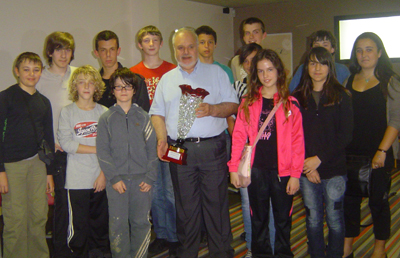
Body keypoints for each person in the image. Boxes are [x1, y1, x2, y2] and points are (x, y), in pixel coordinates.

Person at [150, 27, 238, 258]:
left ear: (197, 47)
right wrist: (161, 139)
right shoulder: (166, 79)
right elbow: (156, 113)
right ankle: (187, 252)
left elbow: (234, 105)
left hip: (212, 147)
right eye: (181, 47)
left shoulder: (216, 73)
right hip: (178, 149)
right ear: (174, 49)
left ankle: (221, 252)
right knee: (185, 206)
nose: (186, 52)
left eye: (191, 46)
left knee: (216, 205)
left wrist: (213, 109)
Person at [228, 49, 304, 257]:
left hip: (284, 171)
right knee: (258, 219)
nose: (266, 75)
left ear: (279, 71)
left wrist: (296, 175)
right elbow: (238, 137)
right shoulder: (249, 102)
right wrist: (234, 167)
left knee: (283, 220)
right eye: (261, 71)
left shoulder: (291, 104)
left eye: (270, 70)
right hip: (257, 170)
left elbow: (298, 142)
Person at [343, 32, 400, 258]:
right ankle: (347, 245)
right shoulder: (349, 80)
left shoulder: (391, 81)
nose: (363, 54)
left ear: (379, 52)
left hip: (379, 154)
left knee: (378, 202)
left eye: (368, 49)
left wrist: (382, 151)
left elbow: (396, 121)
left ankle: (379, 248)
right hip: (350, 153)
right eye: (359, 50)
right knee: (349, 201)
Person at [292, 47, 353, 258]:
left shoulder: (341, 96)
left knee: (335, 219)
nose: (317, 68)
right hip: (306, 170)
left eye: (322, 63)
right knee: (313, 219)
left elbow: (345, 136)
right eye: (312, 63)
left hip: (334, 168)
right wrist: (308, 167)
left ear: (330, 66)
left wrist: (319, 159)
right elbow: (294, 136)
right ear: (305, 67)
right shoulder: (297, 97)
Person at [97, 68, 158, 258]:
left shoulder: (144, 117)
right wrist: (113, 178)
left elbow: (152, 151)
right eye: (118, 87)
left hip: (142, 182)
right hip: (117, 183)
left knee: (141, 222)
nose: (123, 91)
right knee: (118, 224)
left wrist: (150, 177)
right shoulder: (106, 118)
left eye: (127, 87)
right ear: (112, 91)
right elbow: (103, 151)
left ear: (134, 90)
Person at [129, 25, 179, 257]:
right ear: (140, 45)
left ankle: (177, 235)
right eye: (146, 40)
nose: (151, 44)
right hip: (145, 141)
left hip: (170, 139)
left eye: (155, 39)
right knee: (154, 190)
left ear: (161, 43)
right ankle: (162, 234)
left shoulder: (173, 70)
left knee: (171, 190)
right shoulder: (133, 73)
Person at [0, 52, 55, 258]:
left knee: (38, 216)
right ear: (17, 71)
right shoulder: (5, 98)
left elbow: (48, 138)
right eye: (26, 69)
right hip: (12, 167)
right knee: (16, 219)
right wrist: (0, 171)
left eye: (36, 69)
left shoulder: (44, 102)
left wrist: (49, 173)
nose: (31, 74)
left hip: (37, 165)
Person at [58, 65, 109, 257]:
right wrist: (97, 149)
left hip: (100, 178)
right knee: (78, 230)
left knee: (100, 228)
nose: (86, 86)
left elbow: (110, 148)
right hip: (77, 180)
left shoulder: (104, 112)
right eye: (81, 82)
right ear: (75, 86)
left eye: (90, 82)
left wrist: (103, 175)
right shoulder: (67, 112)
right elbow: (66, 143)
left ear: (96, 87)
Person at [36, 31, 76, 258]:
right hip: (56, 153)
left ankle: (79, 247)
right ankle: (61, 251)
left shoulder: (79, 74)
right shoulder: (40, 78)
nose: (63, 54)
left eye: (68, 49)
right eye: (58, 49)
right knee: (61, 205)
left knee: (80, 204)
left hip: (81, 151)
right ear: (50, 52)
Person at [230, 42, 262, 258]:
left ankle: (268, 247)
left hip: (269, 156)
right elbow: (232, 120)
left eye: (254, 60)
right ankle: (252, 248)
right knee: (248, 204)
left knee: (269, 206)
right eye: (246, 61)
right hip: (246, 156)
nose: (250, 66)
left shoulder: (275, 86)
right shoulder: (239, 87)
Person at [94, 30, 150, 111]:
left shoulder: (135, 81)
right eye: (103, 50)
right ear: (96, 53)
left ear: (118, 51)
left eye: (112, 49)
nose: (108, 54)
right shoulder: (93, 85)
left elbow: (144, 116)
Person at [230, 17, 267, 82]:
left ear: (264, 35)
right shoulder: (236, 61)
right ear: (243, 37)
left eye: (255, 32)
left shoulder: (270, 61)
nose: (251, 36)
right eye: (247, 33)